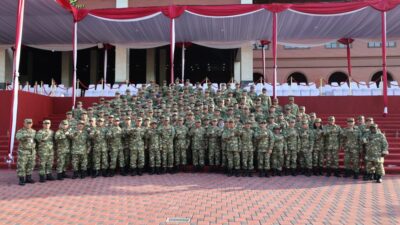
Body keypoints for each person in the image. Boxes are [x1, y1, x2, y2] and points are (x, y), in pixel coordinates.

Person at [16, 118, 37, 185]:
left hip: (31, 151)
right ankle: (21, 179)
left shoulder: (34, 131)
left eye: (30, 123)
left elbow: (36, 140)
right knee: (22, 165)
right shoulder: (20, 131)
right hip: (23, 151)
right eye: (27, 123)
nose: (29, 124)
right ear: (24, 123)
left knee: (30, 165)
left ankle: (28, 178)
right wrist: (26, 135)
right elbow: (18, 137)